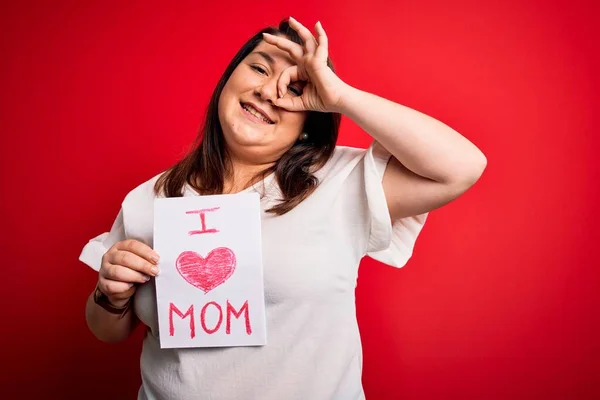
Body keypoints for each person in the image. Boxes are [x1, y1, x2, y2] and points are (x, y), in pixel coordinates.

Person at [80, 17, 487, 400]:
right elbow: (109, 331)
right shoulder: (149, 198)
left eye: (294, 88)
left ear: (312, 116)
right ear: (228, 80)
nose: (268, 91)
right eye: (259, 69)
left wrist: (341, 96)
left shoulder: (341, 182)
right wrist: (108, 294)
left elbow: (461, 168)